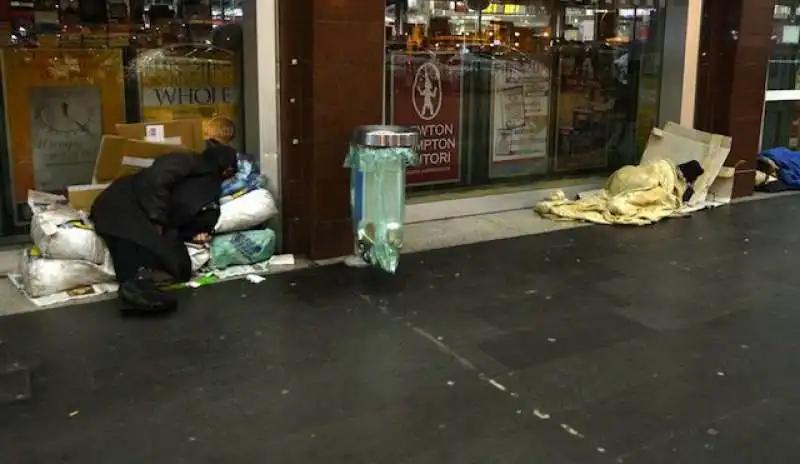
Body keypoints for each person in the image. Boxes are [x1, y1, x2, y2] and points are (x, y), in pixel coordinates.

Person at [91, 142, 238, 315]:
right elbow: (158, 178)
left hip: (152, 215)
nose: (230, 175)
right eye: (230, 169)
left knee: (180, 267)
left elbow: (186, 211)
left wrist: (193, 231)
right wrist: (157, 219)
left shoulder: (207, 181)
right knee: (133, 243)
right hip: (126, 204)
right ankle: (134, 287)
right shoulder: (190, 162)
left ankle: (140, 284)